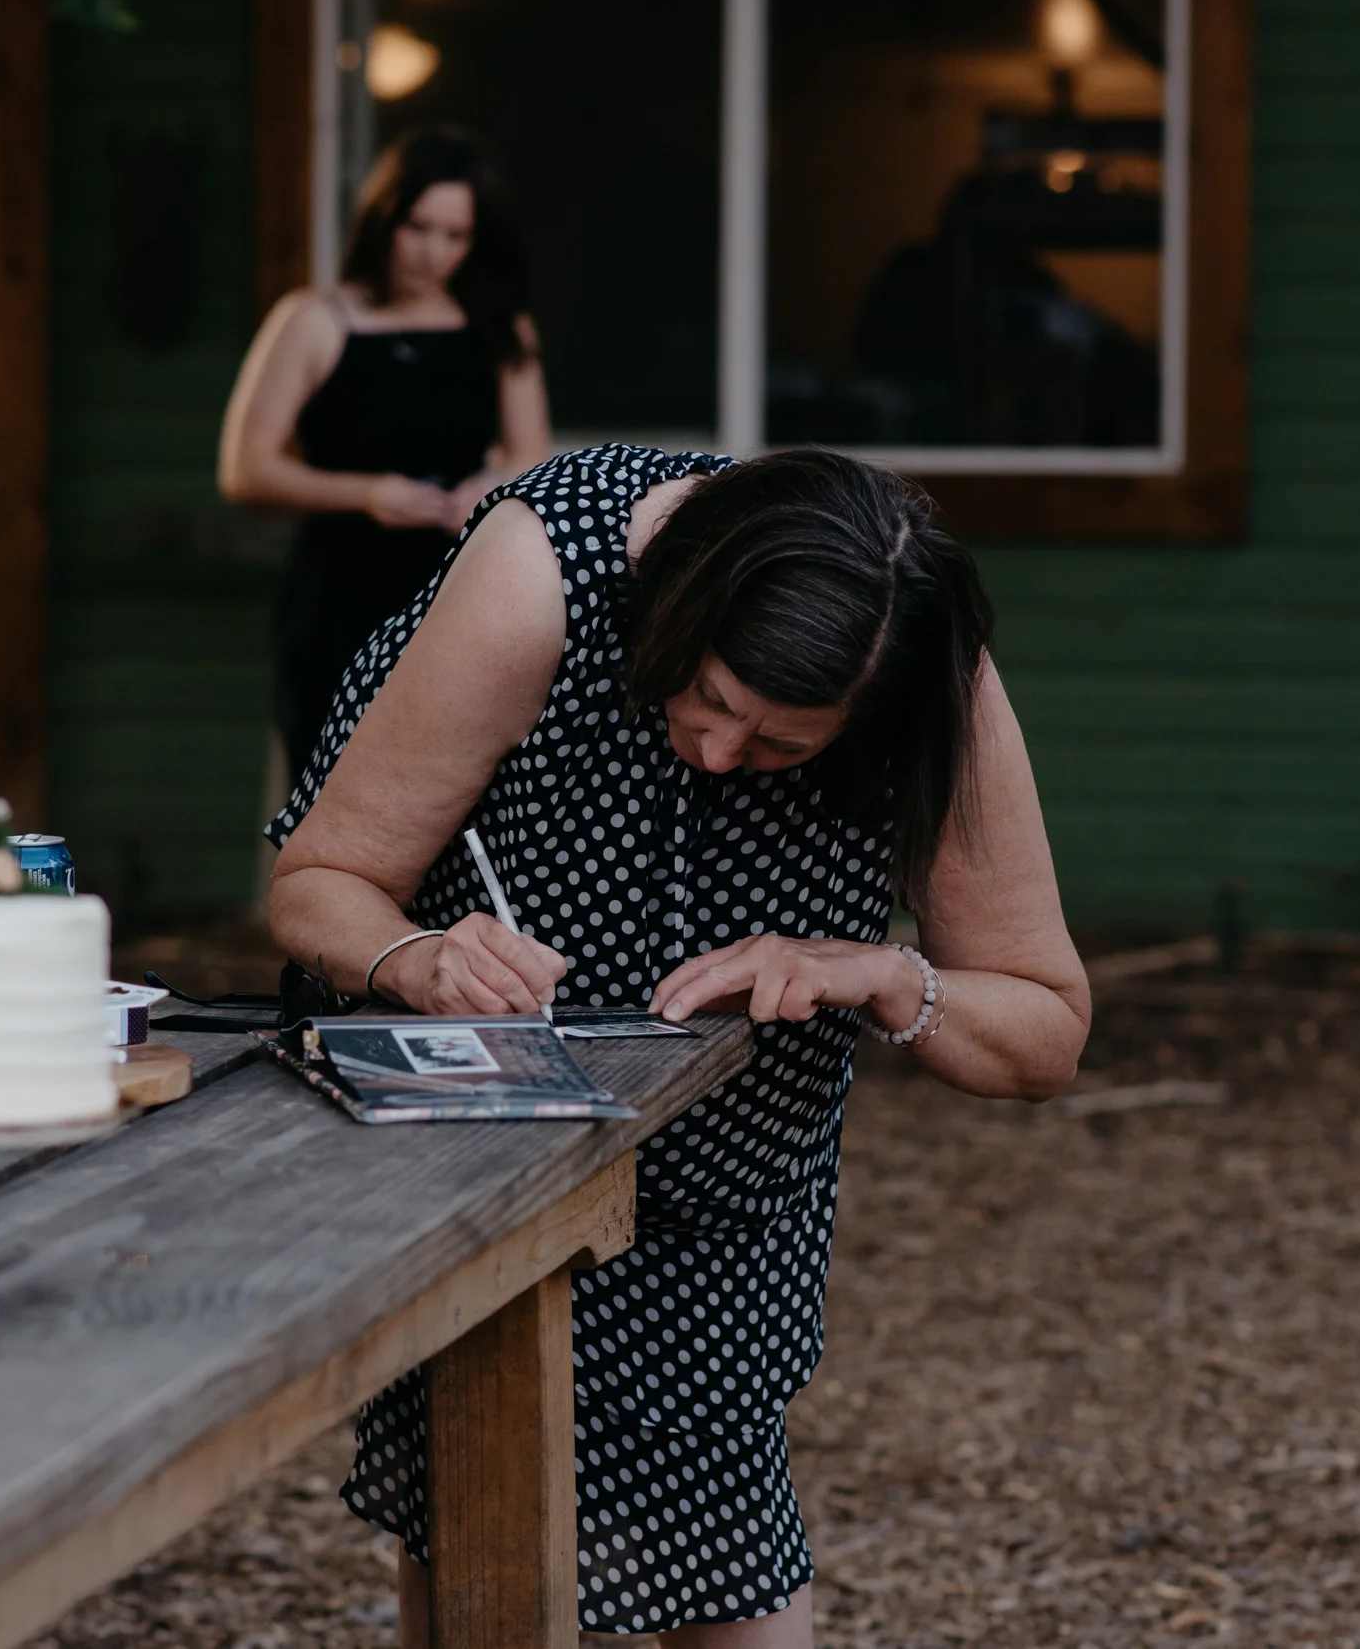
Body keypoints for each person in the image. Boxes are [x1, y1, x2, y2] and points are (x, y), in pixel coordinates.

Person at [267, 444, 1091, 1648]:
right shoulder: (538, 580)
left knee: (712, 1533)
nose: (713, 754)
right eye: (704, 698)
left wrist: (885, 976)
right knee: (484, 1521)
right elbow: (319, 882)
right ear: (677, 606)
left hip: (727, 1203)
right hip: (483, 1162)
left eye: (780, 748)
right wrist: (415, 957)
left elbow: (1044, 1031)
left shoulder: (924, 675)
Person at [218, 127, 552, 783]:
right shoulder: (315, 318)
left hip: (459, 592)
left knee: (453, 793)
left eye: (454, 236)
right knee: (331, 787)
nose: (433, 252)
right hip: (339, 601)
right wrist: (367, 494)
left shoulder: (501, 326)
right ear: (383, 218)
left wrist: (487, 488)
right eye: (418, 228)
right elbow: (246, 469)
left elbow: (530, 454)